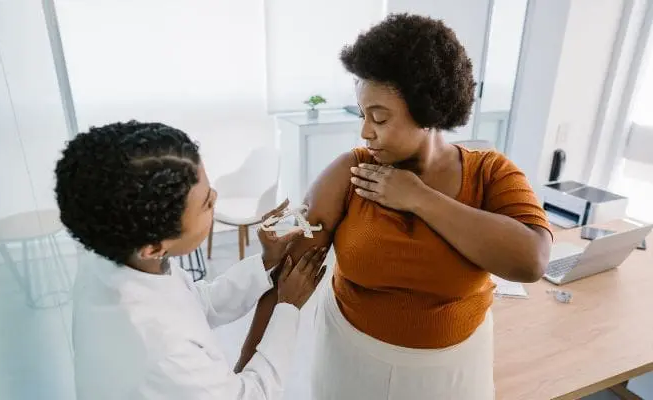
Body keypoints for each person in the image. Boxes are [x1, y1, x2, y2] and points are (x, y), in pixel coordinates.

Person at [236, 13, 553, 399]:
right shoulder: (350, 173)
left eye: (379, 118)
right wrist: (241, 378)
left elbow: (531, 261)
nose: (365, 132)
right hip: (349, 363)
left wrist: (419, 198)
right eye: (363, 115)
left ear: (428, 111)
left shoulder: (491, 173)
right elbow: (284, 281)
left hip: (453, 375)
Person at [54, 121, 327, 400]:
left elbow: (195, 302)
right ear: (154, 247)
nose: (216, 198)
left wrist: (265, 262)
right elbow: (251, 395)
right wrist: (288, 307)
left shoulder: (112, 255)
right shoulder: (164, 353)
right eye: (207, 203)